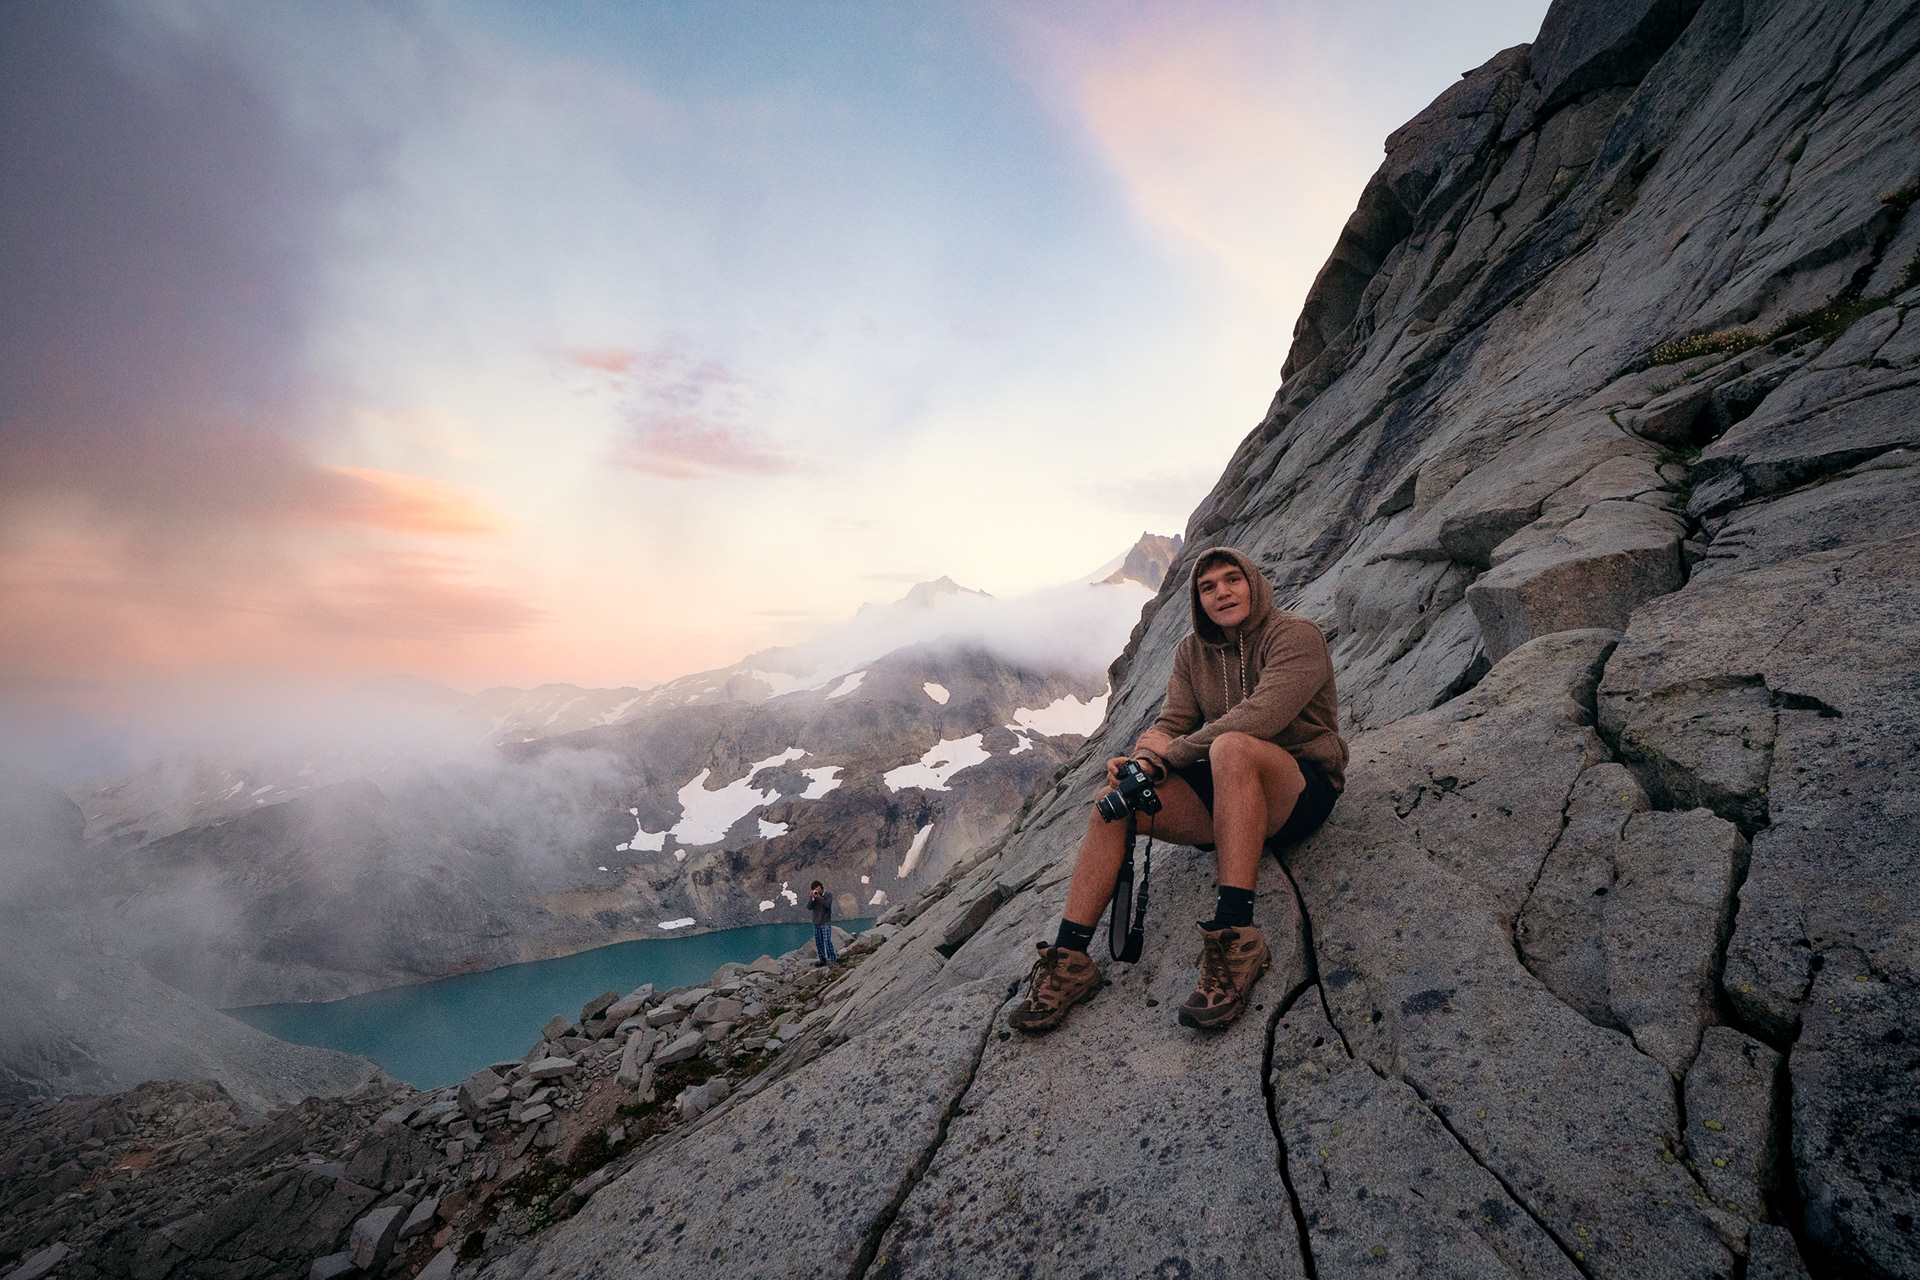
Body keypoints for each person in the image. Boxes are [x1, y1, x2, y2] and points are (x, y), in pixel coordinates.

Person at [1010, 546, 1347, 1035]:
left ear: (1254, 583)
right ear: (1197, 600)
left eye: (1233, 580)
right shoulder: (1192, 652)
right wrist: (1144, 762)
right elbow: (1171, 723)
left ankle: (1237, 937)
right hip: (1231, 793)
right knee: (1116, 804)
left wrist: (1174, 754)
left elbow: (1264, 717)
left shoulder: (1295, 636)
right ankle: (1070, 961)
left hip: (1301, 787)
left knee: (1232, 746)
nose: (1222, 592)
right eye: (1208, 587)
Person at [808, 880, 838, 964]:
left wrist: (819, 898)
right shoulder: (814, 897)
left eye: (818, 888)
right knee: (819, 942)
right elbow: (809, 907)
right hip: (817, 923)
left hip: (825, 922)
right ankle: (822, 959)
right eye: (815, 889)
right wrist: (812, 898)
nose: (817, 891)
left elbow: (827, 905)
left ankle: (832, 958)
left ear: (821, 887)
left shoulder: (828, 895)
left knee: (827, 940)